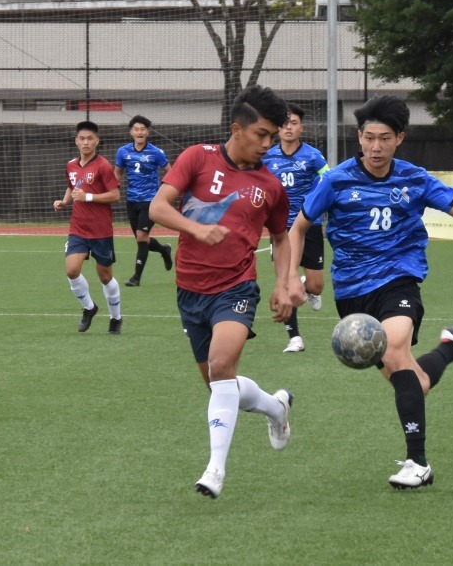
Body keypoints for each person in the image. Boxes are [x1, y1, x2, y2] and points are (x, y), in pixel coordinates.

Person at [287, 95, 453, 489]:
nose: (376, 147)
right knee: (412, 382)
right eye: (369, 138)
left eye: (385, 138)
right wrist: (289, 279)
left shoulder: (414, 178)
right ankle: (450, 349)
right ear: (359, 137)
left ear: (399, 138)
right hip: (351, 293)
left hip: (399, 281)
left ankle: (418, 462)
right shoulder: (335, 181)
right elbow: (298, 227)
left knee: (397, 347)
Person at [148, 85, 296, 499]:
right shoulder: (197, 157)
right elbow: (158, 208)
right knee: (218, 381)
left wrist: (284, 284)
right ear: (237, 128)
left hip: (237, 287)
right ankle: (274, 406)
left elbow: (282, 239)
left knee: (221, 362)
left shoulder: (270, 185)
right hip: (189, 289)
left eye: (274, 136)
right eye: (263, 134)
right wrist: (197, 229)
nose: (269, 144)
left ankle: (215, 469)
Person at [262, 102, 330, 353]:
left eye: (294, 123)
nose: (288, 127)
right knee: (284, 281)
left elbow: (328, 181)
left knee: (316, 286)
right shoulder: (267, 156)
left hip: (307, 226)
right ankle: (295, 338)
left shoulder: (313, 156)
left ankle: (304, 283)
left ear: (301, 127)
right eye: (285, 123)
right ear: (278, 128)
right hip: (280, 230)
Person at [52, 121, 124, 334]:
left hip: (101, 230)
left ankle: (116, 318)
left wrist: (88, 197)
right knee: (72, 270)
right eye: (82, 138)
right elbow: (72, 187)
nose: (85, 142)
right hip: (78, 228)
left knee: (105, 276)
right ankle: (89, 308)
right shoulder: (71, 165)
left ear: (96, 141)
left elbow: (115, 195)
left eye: (90, 138)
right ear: (76, 141)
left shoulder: (103, 165)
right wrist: (65, 202)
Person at [114, 115, 174, 287]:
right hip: (131, 200)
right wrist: (114, 186)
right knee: (143, 239)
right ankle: (164, 250)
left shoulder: (156, 152)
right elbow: (117, 172)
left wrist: (163, 192)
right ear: (131, 132)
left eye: (142, 129)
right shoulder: (123, 151)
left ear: (147, 132)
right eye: (136, 129)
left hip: (150, 201)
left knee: (141, 236)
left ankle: (136, 278)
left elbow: (171, 172)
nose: (139, 132)